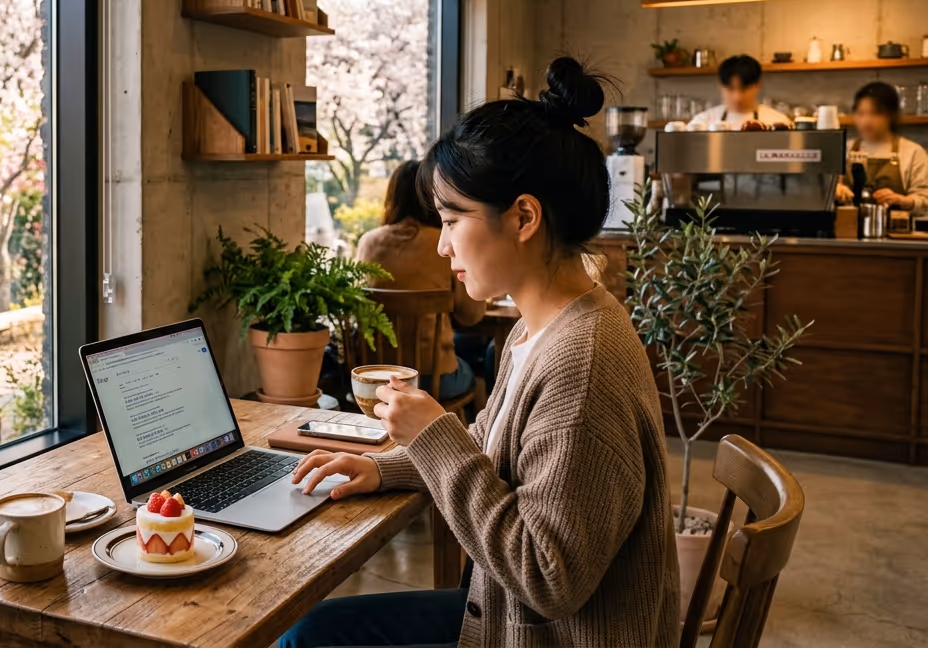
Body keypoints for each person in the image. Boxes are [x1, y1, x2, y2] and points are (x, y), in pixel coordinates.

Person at [282, 58, 680, 648]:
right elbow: (489, 445)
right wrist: (384, 468)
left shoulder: (582, 365)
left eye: (451, 220)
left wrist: (431, 436)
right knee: (311, 633)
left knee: (306, 640)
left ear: (524, 217)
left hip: (552, 632)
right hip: (509, 614)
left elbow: (547, 577)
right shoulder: (540, 327)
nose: (442, 246)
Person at [356, 160, 486, 402]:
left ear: (392, 197)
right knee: (478, 364)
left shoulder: (368, 242)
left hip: (374, 378)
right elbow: (472, 315)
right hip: (433, 379)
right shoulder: (445, 244)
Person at [835, 81, 928, 214]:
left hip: (897, 226)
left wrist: (902, 200)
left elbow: (925, 199)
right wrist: (835, 189)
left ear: (891, 115)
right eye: (861, 113)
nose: (867, 120)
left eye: (875, 113)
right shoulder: (843, 149)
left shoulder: (913, 152)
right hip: (847, 225)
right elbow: (824, 189)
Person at [686, 55, 791, 130]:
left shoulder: (779, 123)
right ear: (721, 85)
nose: (737, 96)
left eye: (744, 89)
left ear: (758, 84)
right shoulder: (702, 123)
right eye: (730, 89)